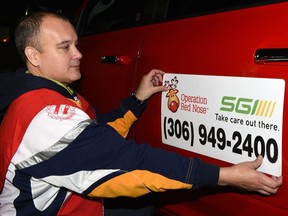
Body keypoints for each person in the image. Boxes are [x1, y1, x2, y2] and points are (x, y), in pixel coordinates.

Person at [0, 11, 282, 216]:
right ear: (34, 56)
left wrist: (137, 99)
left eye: (76, 44)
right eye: (65, 47)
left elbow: (97, 138)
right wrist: (225, 176)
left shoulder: (48, 93)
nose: (79, 54)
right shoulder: (43, 116)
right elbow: (133, 163)